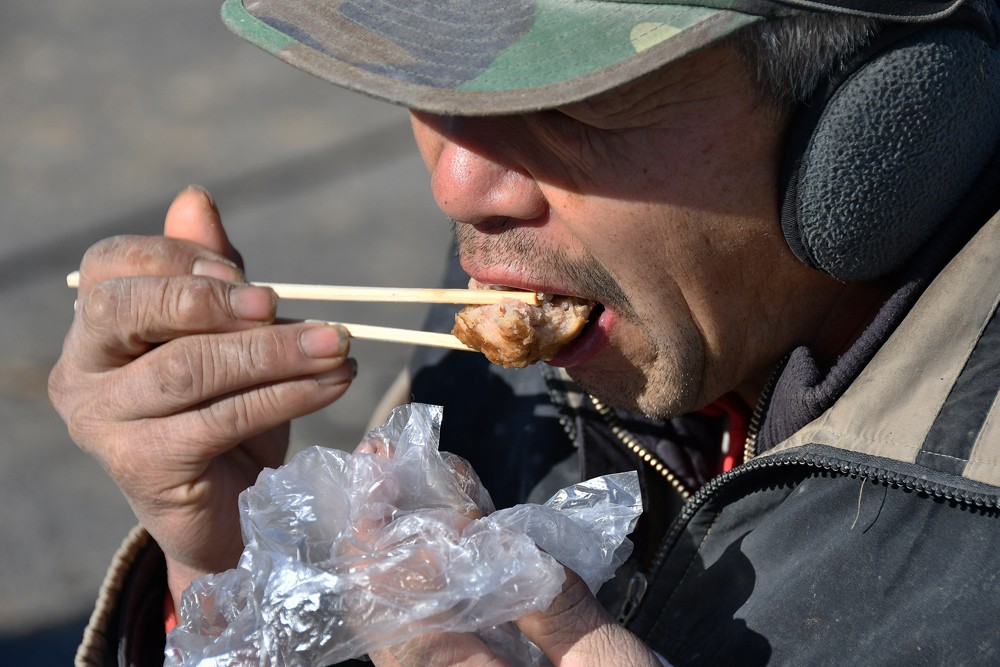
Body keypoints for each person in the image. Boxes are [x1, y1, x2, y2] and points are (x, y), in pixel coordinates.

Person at [49, 0, 1000, 664]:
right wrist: (240, 583)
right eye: (439, 72)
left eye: (575, 101)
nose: (459, 185)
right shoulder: (560, 280)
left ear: (888, 122)